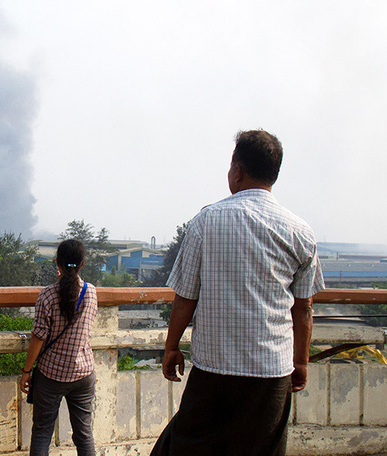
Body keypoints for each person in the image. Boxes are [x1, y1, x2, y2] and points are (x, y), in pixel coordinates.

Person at [151, 130, 325, 456]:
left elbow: (186, 297)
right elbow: (303, 308)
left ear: (237, 171)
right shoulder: (301, 231)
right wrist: (300, 360)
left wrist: (172, 346)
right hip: (271, 371)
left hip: (213, 369)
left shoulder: (206, 221)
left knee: (188, 447)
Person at [19, 239, 98, 455]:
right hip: (83, 374)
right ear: (82, 264)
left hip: (51, 375)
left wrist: (26, 371)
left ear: (57, 263)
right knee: (84, 434)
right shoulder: (91, 292)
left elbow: (38, 337)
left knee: (43, 432)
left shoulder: (47, 294)